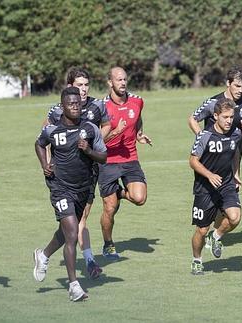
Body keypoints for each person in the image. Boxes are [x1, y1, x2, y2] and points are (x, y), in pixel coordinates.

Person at [32, 87, 107, 301]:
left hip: (83, 188)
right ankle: (74, 285)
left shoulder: (91, 129)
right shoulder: (52, 130)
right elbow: (39, 144)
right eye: (70, 104)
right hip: (59, 187)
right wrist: (45, 164)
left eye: (78, 103)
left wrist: (89, 150)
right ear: (63, 106)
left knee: (66, 231)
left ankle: (43, 255)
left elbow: (104, 158)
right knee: (73, 233)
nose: (75, 106)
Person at [43, 67, 110, 279]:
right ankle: (89, 262)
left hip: (89, 171)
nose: (83, 89)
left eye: (86, 84)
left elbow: (106, 126)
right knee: (77, 223)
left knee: (80, 220)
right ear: (70, 86)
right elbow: (45, 135)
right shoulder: (57, 110)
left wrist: (93, 141)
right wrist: (48, 162)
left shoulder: (98, 105)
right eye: (79, 85)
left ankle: (44, 255)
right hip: (64, 177)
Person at [99, 67, 152, 260]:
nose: (122, 83)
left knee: (140, 198)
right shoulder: (100, 107)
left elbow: (137, 118)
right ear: (110, 83)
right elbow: (95, 143)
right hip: (107, 161)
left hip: (130, 157)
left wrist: (139, 134)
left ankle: (119, 192)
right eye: (118, 80)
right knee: (110, 208)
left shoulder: (137, 101)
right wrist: (115, 133)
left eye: (124, 79)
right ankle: (108, 244)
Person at [189, 98, 242, 275]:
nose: (229, 121)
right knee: (201, 230)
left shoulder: (235, 133)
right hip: (205, 189)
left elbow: (234, 153)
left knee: (235, 218)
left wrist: (235, 174)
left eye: (231, 117)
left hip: (226, 184)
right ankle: (197, 260)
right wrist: (209, 175)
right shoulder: (205, 136)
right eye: (225, 117)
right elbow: (193, 161)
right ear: (215, 116)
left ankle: (216, 236)